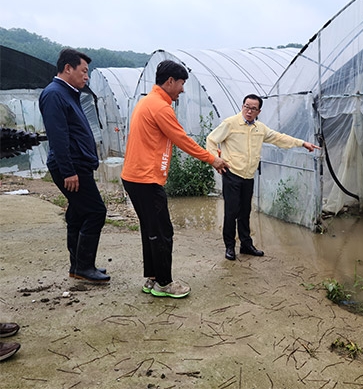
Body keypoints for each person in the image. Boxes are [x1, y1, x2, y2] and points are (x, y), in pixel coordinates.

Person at [121, 60, 229, 299]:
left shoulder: (147, 102)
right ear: (170, 81)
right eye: (181, 83)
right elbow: (182, 139)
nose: (182, 89)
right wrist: (213, 160)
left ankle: (152, 277)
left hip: (135, 177)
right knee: (162, 231)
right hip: (145, 179)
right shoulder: (160, 107)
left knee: (151, 229)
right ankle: (164, 282)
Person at [206, 94, 320, 261]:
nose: (249, 111)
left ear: (259, 111)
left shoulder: (260, 129)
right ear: (242, 106)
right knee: (231, 212)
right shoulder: (230, 123)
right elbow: (211, 139)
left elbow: (279, 138)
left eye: (253, 108)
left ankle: (246, 245)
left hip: (248, 175)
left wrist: (302, 143)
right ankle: (229, 246)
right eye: (246, 106)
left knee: (245, 211)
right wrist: (215, 160)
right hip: (232, 174)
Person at [39, 48, 109, 283]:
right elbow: (58, 136)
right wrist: (68, 171)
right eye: (84, 71)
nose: (86, 76)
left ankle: (78, 265)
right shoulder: (54, 94)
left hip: (78, 164)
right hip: (72, 167)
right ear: (68, 68)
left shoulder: (68, 93)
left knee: (78, 213)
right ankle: (84, 266)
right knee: (96, 211)